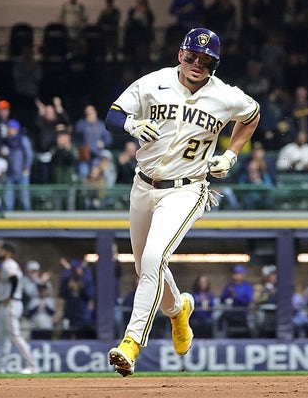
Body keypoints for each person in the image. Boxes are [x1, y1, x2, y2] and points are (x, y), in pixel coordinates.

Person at [104, 27, 260, 377]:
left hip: (187, 188)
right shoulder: (153, 82)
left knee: (154, 258)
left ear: (214, 65)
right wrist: (130, 124)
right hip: (143, 185)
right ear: (180, 55)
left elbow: (252, 115)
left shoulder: (225, 96)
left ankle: (131, 343)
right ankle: (177, 310)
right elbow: (112, 115)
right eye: (192, 57)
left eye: (206, 61)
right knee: (145, 266)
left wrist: (231, 155)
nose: (197, 65)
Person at [0, 242, 38, 373]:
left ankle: (32, 366)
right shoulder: (6, 264)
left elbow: (15, 279)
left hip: (11, 303)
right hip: (6, 303)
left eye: (1, 250)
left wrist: (10, 296)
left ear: (7, 252)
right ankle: (0, 368)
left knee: (14, 335)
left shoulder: (9, 264)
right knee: (4, 337)